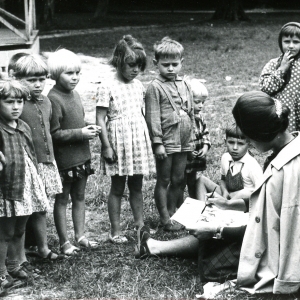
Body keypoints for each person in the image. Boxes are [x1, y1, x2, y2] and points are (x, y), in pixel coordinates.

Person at [137, 91, 300, 294]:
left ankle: (155, 247)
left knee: (213, 241)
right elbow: (271, 206)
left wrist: (218, 231)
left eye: (248, 139)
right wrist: (231, 205)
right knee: (214, 226)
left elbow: (270, 231)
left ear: (263, 135)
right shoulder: (288, 147)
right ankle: (154, 246)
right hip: (262, 231)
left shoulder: (287, 170)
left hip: (274, 250)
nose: (250, 145)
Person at [96, 35, 155, 244]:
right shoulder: (106, 86)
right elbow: (100, 119)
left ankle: (140, 225)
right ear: (119, 61)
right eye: (131, 65)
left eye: (139, 65)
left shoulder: (139, 85)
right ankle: (116, 230)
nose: (135, 70)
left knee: (137, 185)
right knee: (118, 187)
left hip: (137, 140)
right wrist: (106, 146)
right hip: (118, 142)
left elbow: (142, 114)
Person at [47, 49, 100, 255]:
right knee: (62, 200)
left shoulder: (75, 94)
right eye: (69, 73)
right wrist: (81, 132)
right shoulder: (53, 99)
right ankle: (64, 241)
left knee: (80, 196)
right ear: (55, 74)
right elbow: (55, 134)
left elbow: (77, 120)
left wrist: (88, 126)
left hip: (82, 157)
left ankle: (80, 235)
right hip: (65, 161)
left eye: (78, 73)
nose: (75, 77)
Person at [12, 54, 63, 261]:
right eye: (31, 80)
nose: (37, 84)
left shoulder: (47, 102)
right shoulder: (15, 102)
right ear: (17, 78)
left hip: (45, 161)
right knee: (23, 211)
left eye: (41, 79)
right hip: (25, 165)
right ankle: (20, 253)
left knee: (41, 207)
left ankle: (42, 248)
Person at [0, 80, 49, 290]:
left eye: (19, 101)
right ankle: (1, 273)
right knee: (5, 233)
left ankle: (15, 264)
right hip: (8, 189)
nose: (15, 107)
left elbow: (31, 154)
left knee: (20, 229)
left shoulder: (24, 126)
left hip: (26, 187)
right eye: (9, 102)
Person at [145, 37, 194, 231]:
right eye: (166, 65)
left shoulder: (184, 84)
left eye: (175, 64)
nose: (171, 68)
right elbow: (153, 116)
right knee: (164, 179)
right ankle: (165, 217)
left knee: (179, 178)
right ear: (156, 64)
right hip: (166, 140)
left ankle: (174, 212)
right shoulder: (154, 87)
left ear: (182, 62)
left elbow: (191, 112)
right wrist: (157, 142)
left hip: (183, 139)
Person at [196, 123, 262, 201]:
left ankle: (222, 206)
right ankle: (201, 208)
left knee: (244, 193)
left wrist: (233, 200)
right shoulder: (225, 157)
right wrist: (224, 191)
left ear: (249, 144)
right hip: (228, 196)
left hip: (244, 203)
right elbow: (223, 179)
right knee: (201, 180)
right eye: (231, 142)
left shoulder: (252, 165)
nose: (235, 148)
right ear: (225, 142)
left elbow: (261, 192)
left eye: (240, 144)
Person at [260, 22, 300, 132]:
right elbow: (265, 89)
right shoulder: (273, 64)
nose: (291, 46)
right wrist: (282, 69)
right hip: (282, 113)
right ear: (280, 42)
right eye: (287, 41)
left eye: (296, 42)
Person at [184, 78, 211, 200]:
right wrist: (188, 150)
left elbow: (206, 133)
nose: (201, 105)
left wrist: (205, 147)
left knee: (192, 181)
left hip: (196, 158)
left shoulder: (200, 117)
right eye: (197, 102)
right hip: (185, 157)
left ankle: (194, 202)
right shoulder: (184, 118)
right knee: (179, 181)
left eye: (203, 102)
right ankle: (175, 205)